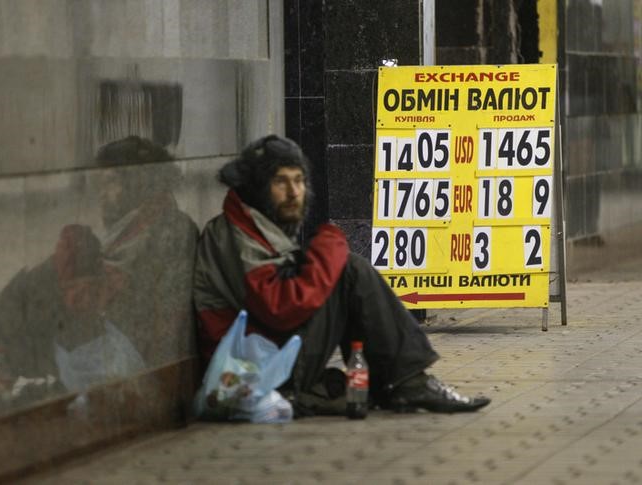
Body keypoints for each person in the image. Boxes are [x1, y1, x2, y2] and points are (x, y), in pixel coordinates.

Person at [193, 134, 490, 414]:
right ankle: (409, 383)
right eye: (281, 182)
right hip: (251, 373)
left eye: (299, 181)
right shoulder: (235, 233)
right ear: (258, 187)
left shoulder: (256, 224)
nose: (294, 192)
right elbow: (281, 308)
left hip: (268, 354)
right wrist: (329, 246)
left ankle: (399, 383)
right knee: (348, 270)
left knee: (344, 271)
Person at [0, 136, 198, 421]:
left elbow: (152, 314)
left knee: (37, 287)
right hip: (117, 341)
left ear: (138, 183)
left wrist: (74, 291)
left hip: (139, 360)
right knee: (36, 287)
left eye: (111, 183)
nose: (102, 194)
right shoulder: (137, 225)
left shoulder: (169, 228)